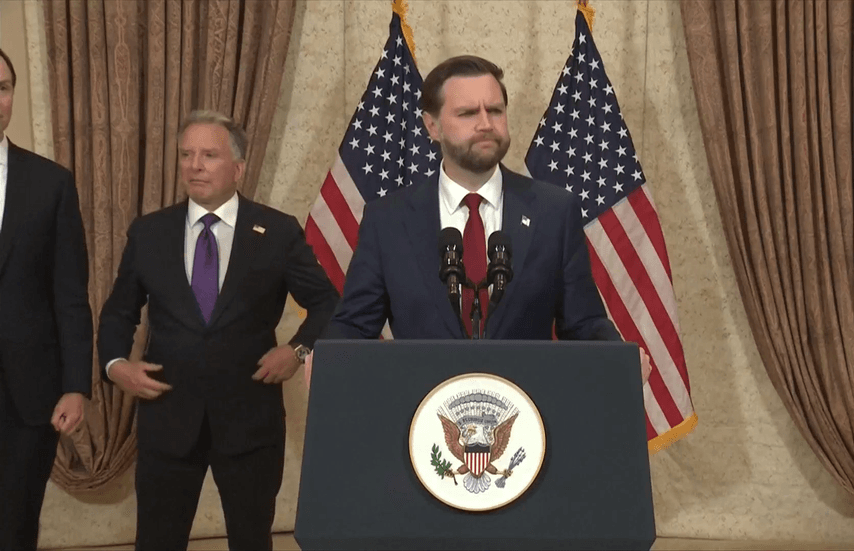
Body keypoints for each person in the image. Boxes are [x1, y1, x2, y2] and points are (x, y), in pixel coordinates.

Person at [98, 110, 339, 551]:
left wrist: (297, 351)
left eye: (209, 155)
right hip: (168, 418)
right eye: (186, 154)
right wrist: (116, 365)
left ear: (238, 168)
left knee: (251, 540)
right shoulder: (150, 233)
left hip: (249, 423)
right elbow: (118, 312)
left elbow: (327, 303)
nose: (195, 166)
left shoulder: (277, 231)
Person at [322, 54, 652, 377]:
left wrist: (619, 357)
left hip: (525, 402)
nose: (485, 124)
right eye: (467, 113)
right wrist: (324, 361)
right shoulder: (388, 220)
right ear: (432, 127)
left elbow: (583, 323)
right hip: (423, 404)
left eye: (495, 110)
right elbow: (354, 326)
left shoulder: (554, 212)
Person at [0, 48, 93, 550]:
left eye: (2, 88)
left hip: (26, 396)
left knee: (14, 529)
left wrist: (76, 385)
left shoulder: (50, 183)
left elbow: (70, 295)